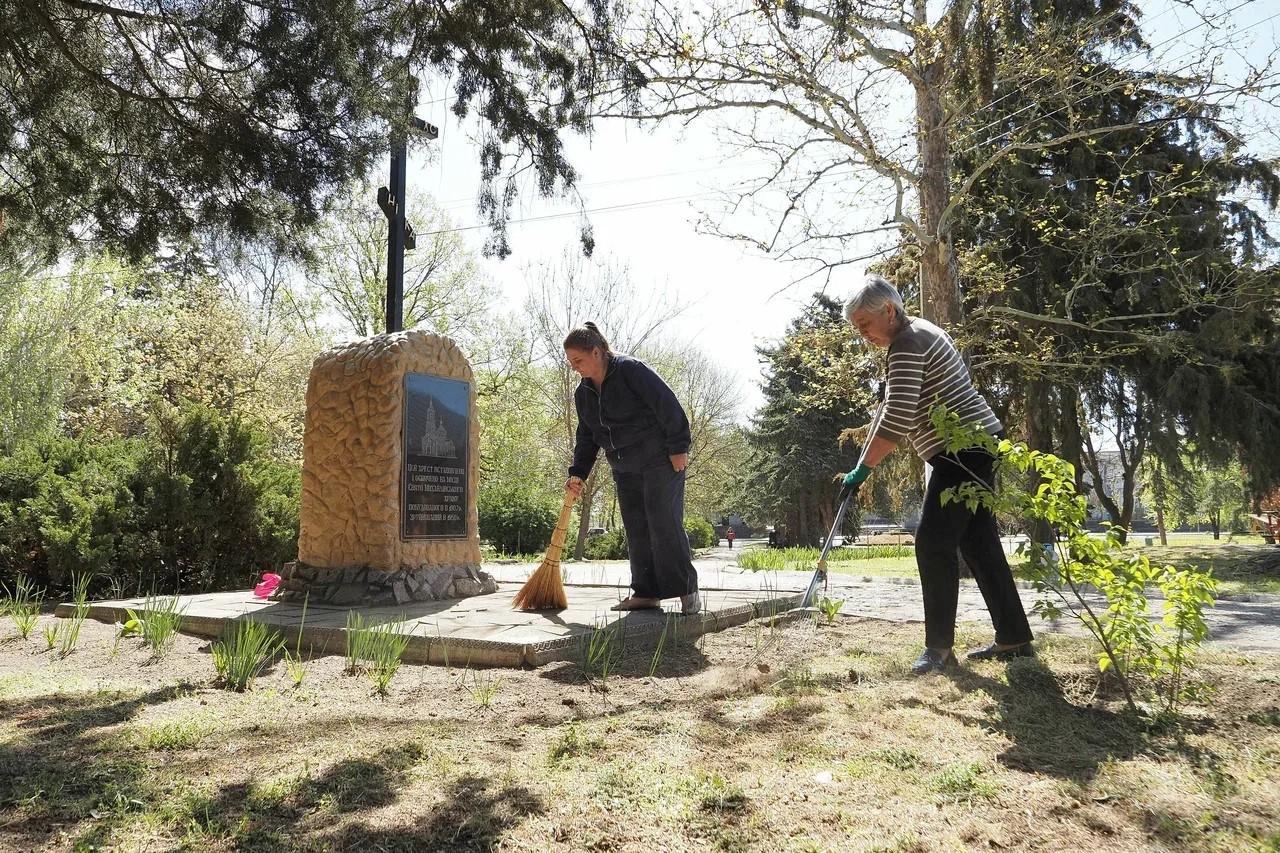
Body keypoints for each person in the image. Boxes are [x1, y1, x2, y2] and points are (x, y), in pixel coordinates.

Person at [841, 275, 1034, 675]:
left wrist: (865, 469)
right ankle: (1014, 637)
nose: (863, 335)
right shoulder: (918, 333)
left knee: (932, 543)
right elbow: (888, 409)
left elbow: (897, 417)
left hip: (964, 451)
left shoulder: (907, 343)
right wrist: (862, 463)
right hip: (977, 445)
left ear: (888, 311)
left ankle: (938, 649)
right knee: (979, 543)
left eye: (864, 324)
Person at [563, 322, 700, 614]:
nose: (574, 367)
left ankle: (687, 590)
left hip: (660, 460)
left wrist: (678, 447)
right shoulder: (583, 394)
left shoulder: (631, 370)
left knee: (663, 523)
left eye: (578, 360)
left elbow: (668, 405)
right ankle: (646, 593)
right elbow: (587, 437)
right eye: (571, 362)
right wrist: (578, 473)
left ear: (596, 352)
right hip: (624, 468)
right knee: (637, 528)